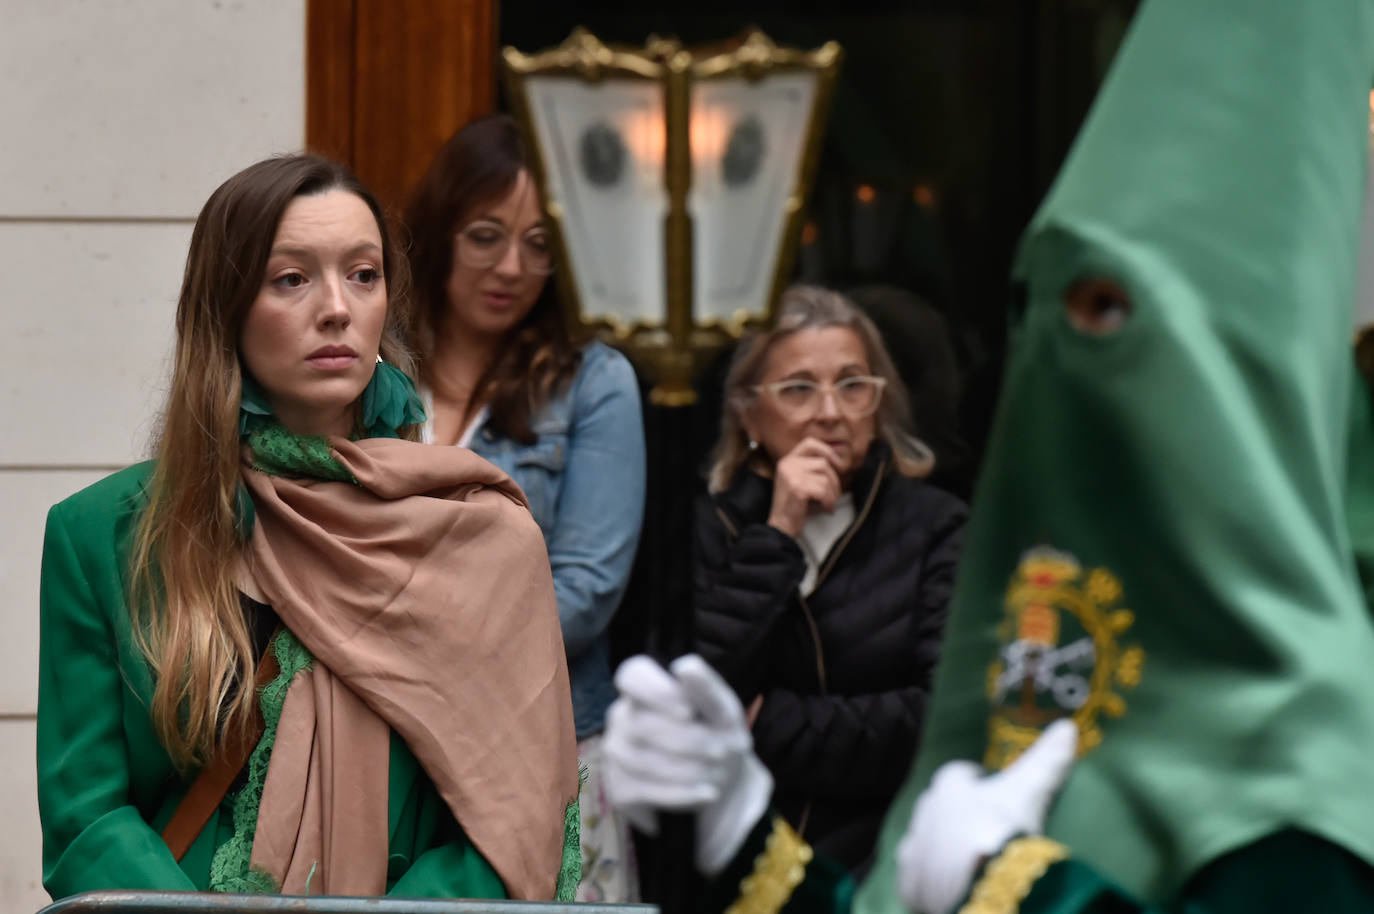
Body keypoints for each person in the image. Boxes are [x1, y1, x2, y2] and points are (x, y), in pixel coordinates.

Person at [602, 0, 1374, 911]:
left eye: (1105, 311)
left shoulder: (1313, 757)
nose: (1065, 355)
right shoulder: (1042, 600)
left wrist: (1019, 889)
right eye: (1034, 304)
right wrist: (741, 827)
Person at [36, 154, 581, 902]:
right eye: (291, 278)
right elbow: (85, 817)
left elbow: (516, 820)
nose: (337, 308)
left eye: (363, 274)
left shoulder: (476, 537)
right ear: (224, 307)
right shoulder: (102, 534)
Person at [404, 113, 646, 902]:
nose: (513, 265)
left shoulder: (593, 381)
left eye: (540, 244)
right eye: (486, 235)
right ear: (440, 231)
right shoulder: (375, 370)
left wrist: (405, 651)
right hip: (393, 744)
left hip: (546, 741)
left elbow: (585, 588)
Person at [693, 284, 966, 874]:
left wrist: (766, 727)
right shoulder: (709, 526)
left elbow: (941, 715)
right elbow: (697, 698)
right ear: (748, 411)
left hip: (886, 853)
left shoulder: (935, 526)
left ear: (879, 402)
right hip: (736, 858)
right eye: (798, 389)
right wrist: (780, 531)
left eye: (852, 386)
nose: (831, 412)